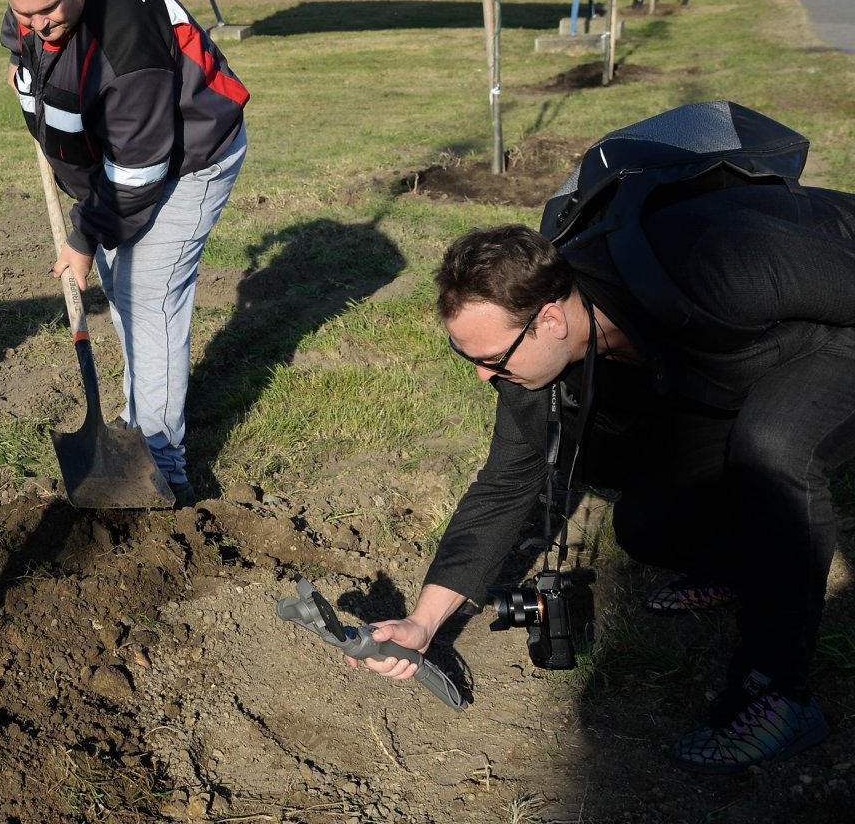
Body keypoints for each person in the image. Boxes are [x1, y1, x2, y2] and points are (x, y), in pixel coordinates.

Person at [361, 192, 855, 771]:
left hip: (834, 323)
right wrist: (422, 622)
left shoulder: (713, 262)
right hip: (731, 363)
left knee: (775, 448)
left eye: (493, 358)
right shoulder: (534, 364)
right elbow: (506, 483)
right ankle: (737, 567)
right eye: (466, 355)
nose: (480, 376)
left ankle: (780, 695)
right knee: (649, 525)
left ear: (550, 318)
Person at [0, 0, 250, 493]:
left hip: (190, 156)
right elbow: (23, 41)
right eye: (25, 13)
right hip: (123, 161)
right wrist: (23, 61)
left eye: (50, 10)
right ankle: (141, 424)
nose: (40, 25)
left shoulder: (127, 45)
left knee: (148, 291)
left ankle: (161, 459)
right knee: (125, 283)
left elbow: (137, 175)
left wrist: (84, 238)